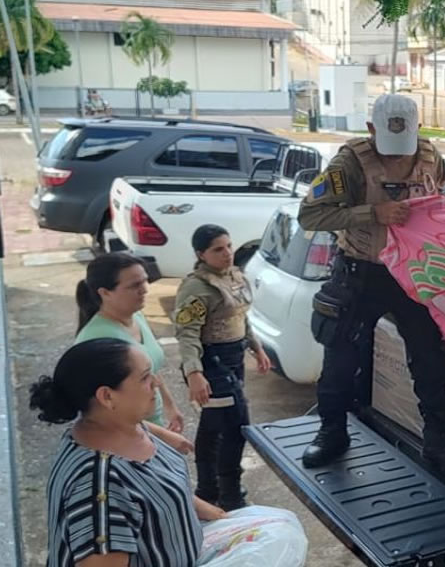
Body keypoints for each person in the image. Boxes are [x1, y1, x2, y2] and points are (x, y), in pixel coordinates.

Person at [297, 93, 445, 476]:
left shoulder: (430, 157)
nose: (397, 158)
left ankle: (438, 443)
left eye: (403, 148)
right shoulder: (350, 163)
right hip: (362, 270)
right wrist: (373, 213)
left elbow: (440, 200)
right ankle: (332, 432)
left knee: (430, 360)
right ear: (371, 129)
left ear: (418, 130)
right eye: (388, 147)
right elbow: (310, 215)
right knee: (341, 356)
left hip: (412, 272)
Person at [29, 338, 227, 567]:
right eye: (144, 378)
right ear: (107, 397)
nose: (155, 383)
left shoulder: (120, 425)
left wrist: (211, 512)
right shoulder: (101, 487)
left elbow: (155, 489)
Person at [174, 224, 271, 511]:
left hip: (233, 359)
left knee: (218, 425)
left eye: (228, 246)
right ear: (201, 254)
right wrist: (195, 373)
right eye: (218, 249)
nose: (227, 253)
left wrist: (257, 348)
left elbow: (241, 317)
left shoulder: (233, 276)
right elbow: (187, 332)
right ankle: (220, 492)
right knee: (232, 424)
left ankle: (215, 490)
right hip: (212, 363)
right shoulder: (197, 287)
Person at [75, 252, 193, 454]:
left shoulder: (135, 316)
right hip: (124, 439)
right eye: (133, 286)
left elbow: (150, 368)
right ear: (105, 293)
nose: (144, 290)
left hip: (151, 424)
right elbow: (102, 413)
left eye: (145, 282)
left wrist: (170, 405)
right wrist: (164, 436)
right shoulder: (96, 340)